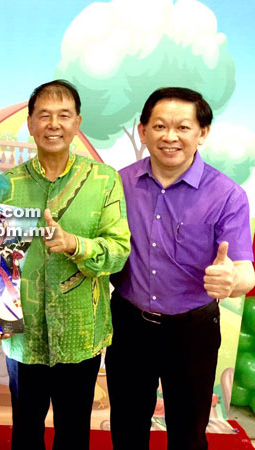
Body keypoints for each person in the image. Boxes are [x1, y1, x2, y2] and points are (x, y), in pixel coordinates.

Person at [106, 87, 255, 450]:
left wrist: (231, 279)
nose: (170, 137)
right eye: (159, 126)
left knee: (188, 434)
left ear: (202, 133)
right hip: (128, 325)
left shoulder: (228, 195)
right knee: (126, 428)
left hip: (193, 331)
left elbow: (244, 271)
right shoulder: (116, 183)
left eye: (183, 127)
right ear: (142, 131)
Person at [0, 79, 131, 450]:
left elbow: (118, 251)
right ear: (31, 122)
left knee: (73, 432)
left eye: (63, 115)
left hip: (80, 331)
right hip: (23, 334)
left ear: (78, 122)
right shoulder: (6, 185)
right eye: (45, 116)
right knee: (25, 430)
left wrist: (73, 244)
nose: (54, 124)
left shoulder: (103, 180)